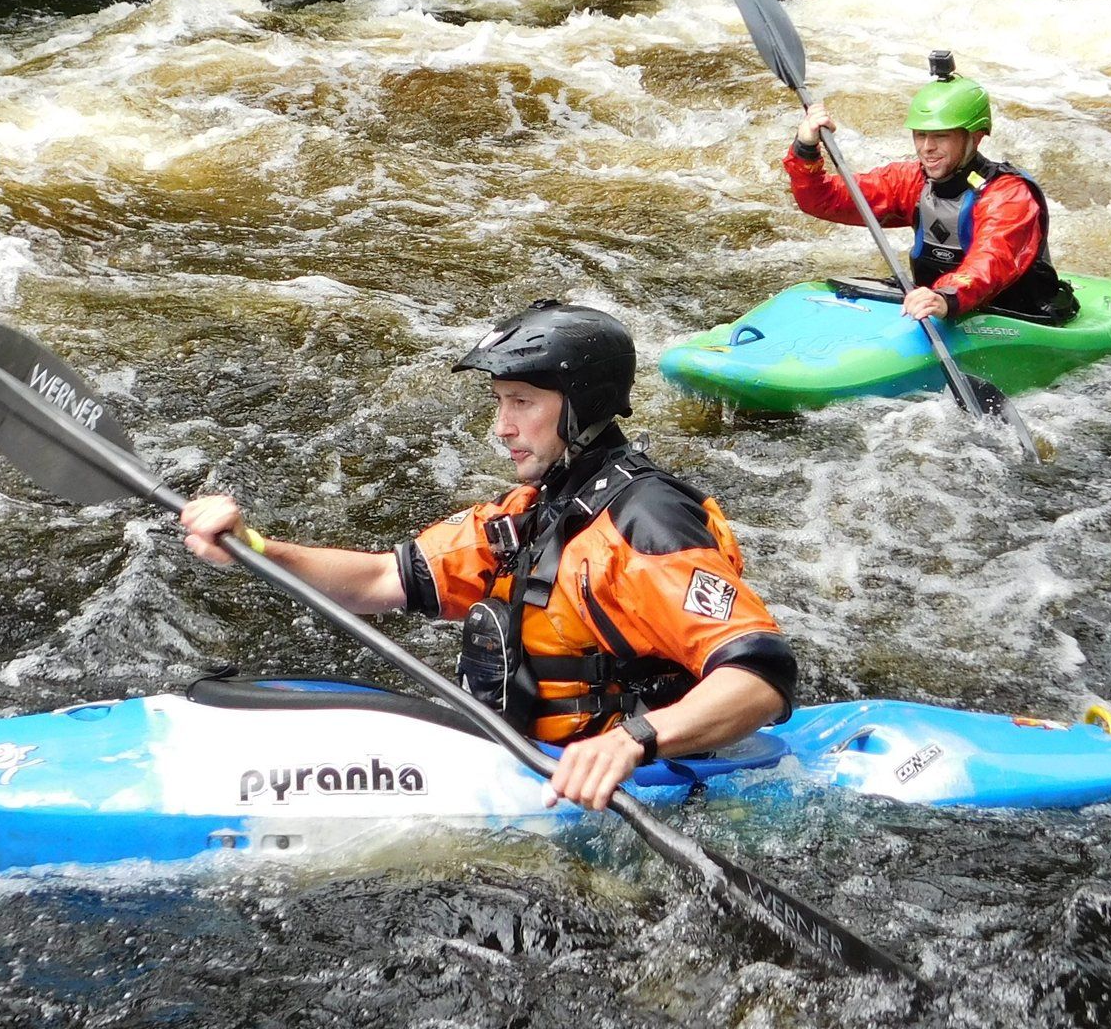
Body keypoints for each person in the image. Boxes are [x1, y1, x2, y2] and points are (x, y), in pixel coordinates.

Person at [180, 301, 797, 812]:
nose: (502, 425)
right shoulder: (532, 510)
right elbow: (376, 579)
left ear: (580, 407)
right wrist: (253, 549)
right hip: (538, 764)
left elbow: (761, 679)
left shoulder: (646, 524)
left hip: (654, 788)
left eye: (522, 402)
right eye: (499, 401)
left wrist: (634, 741)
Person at [785, 52, 1076, 322]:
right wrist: (806, 147)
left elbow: (991, 260)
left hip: (1013, 319)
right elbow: (823, 200)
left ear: (974, 138)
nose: (927, 148)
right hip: (936, 308)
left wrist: (946, 295)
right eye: (921, 135)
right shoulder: (911, 180)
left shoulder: (1008, 195)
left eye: (941, 136)